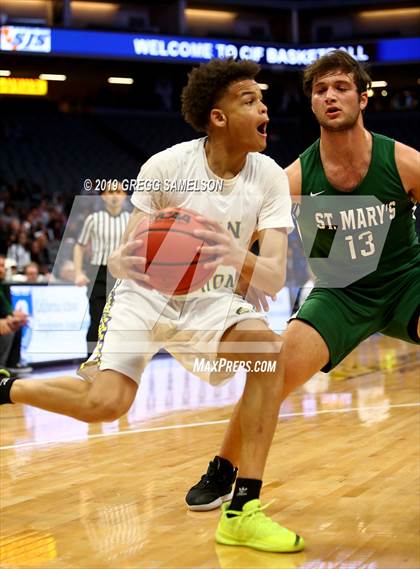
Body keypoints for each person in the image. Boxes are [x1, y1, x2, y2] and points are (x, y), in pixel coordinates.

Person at [0, 58, 304, 554]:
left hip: (211, 299)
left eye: (262, 98)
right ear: (218, 117)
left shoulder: (268, 176)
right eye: (249, 100)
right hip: (146, 297)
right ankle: (10, 387)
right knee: (106, 404)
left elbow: (272, 274)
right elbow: (123, 260)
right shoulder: (165, 166)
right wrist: (140, 257)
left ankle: (242, 505)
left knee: (270, 353)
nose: (264, 106)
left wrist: (226, 251)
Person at [184, 50, 420, 517]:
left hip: (405, 281)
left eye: (341, 87)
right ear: (312, 104)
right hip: (339, 294)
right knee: (268, 371)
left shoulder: (404, 162)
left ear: (363, 98)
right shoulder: (292, 177)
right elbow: (243, 234)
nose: (330, 96)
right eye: (320, 90)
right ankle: (224, 467)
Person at [73, 183, 129, 356]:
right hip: (97, 273)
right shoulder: (93, 219)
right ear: (103, 196)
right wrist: (78, 272)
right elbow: (79, 246)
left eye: (118, 191)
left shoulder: (131, 219)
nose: (114, 195)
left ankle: (116, 363)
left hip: (122, 275)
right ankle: (91, 361)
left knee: (119, 321)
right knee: (97, 318)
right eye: (110, 191)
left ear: (124, 195)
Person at [0, 255, 32, 374]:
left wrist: (11, 317)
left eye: (3, 266)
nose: (2, 269)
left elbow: (5, 308)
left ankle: (10, 364)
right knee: (7, 328)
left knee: (15, 324)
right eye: (0, 266)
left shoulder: (3, 285)